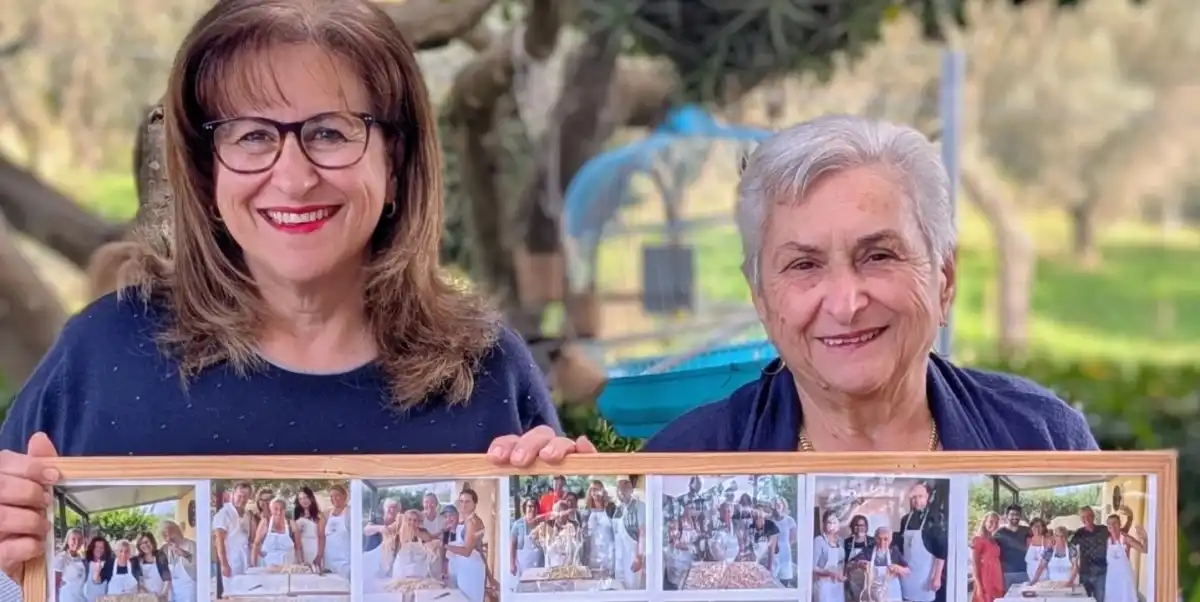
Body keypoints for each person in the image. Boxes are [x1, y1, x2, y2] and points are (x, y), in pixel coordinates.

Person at [0, 0, 586, 583]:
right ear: (207, 175)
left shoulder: (486, 373)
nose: (294, 177)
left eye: (329, 133)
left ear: (396, 162)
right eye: (252, 136)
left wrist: (584, 542)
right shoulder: (101, 357)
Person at [492, 114, 1097, 465]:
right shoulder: (685, 463)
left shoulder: (1043, 441)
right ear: (761, 300)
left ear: (944, 279)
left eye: (878, 255)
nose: (844, 301)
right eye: (804, 266)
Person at [896, 482, 946, 602]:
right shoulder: (905, 520)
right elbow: (901, 549)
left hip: (925, 576)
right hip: (907, 575)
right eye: (914, 497)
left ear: (927, 497)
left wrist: (937, 577)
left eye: (920, 496)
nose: (917, 500)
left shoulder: (934, 519)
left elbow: (941, 551)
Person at [1072, 506, 1110, 601]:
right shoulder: (1079, 533)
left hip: (1101, 572)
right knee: (1084, 599)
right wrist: (1074, 563)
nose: (1087, 519)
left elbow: (1119, 533)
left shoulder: (1104, 530)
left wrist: (1129, 520)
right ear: (1081, 519)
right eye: (1083, 517)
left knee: (1099, 599)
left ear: (1093, 516)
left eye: (1089, 516)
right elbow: (1070, 546)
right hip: (1085, 572)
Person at [1103, 513, 1144, 602]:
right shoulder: (1107, 541)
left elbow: (1143, 549)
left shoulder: (1126, 539)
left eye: (1115, 523)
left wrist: (1144, 538)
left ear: (1120, 524)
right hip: (1111, 578)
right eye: (1109, 524)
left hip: (1125, 578)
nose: (1112, 526)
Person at [994, 503, 1031, 591]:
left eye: (1017, 515)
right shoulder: (999, 533)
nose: (1015, 517)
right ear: (1006, 516)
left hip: (1024, 572)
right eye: (1012, 514)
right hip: (1006, 573)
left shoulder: (1026, 530)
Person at [160, 520, 198, 602]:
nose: (169, 538)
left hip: (189, 590)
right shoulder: (166, 549)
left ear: (178, 532)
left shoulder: (190, 544)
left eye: (171, 534)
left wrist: (184, 553)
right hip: (175, 590)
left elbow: (199, 563)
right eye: (165, 536)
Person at [812, 511, 845, 602]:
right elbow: (813, 567)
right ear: (824, 523)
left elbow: (841, 563)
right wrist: (829, 573)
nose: (831, 526)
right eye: (829, 522)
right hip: (823, 585)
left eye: (834, 522)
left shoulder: (840, 541)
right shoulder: (819, 541)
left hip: (837, 585)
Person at [970, 512, 1004, 602]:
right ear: (985, 522)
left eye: (996, 522)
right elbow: (975, 565)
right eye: (991, 522)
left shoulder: (993, 540)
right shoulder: (978, 539)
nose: (994, 525)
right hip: (985, 579)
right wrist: (979, 586)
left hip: (996, 577)